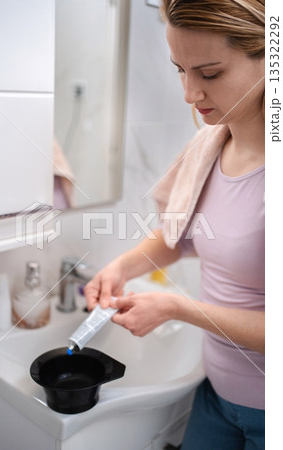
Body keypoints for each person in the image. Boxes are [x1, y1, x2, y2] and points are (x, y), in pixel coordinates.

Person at [84, 0, 265, 448]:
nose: (189, 93)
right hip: (216, 396)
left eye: (209, 73)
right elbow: (181, 237)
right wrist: (122, 267)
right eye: (179, 70)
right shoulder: (209, 146)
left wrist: (179, 308)